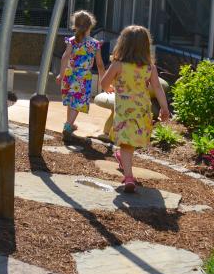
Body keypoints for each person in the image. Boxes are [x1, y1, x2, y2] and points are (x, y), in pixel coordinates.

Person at [98, 25, 171, 194]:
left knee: (126, 143)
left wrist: (109, 87)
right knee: (130, 142)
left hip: (124, 109)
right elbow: (158, 88)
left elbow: (103, 83)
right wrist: (164, 108)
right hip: (142, 110)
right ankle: (124, 162)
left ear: (122, 43)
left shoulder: (118, 65)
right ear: (146, 46)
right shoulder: (149, 67)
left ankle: (128, 177)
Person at [56, 10, 105, 138]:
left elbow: (65, 57)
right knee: (77, 102)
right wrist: (103, 81)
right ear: (90, 26)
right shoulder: (94, 44)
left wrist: (61, 75)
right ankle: (68, 125)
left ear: (75, 25)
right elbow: (99, 64)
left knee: (72, 100)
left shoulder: (72, 41)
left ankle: (70, 124)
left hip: (70, 74)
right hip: (83, 78)